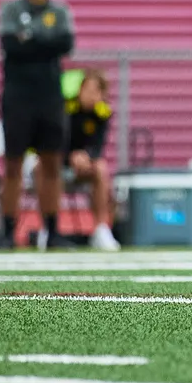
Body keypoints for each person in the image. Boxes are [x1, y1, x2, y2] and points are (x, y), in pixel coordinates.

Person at [0, 0, 76, 250]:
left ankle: (52, 231)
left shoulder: (60, 10)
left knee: (51, 164)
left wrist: (29, 41)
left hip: (50, 97)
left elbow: (65, 44)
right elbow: (10, 46)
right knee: (13, 164)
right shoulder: (11, 10)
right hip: (17, 97)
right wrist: (44, 44)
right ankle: (7, 232)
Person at [63, 67, 119, 251]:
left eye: (96, 91)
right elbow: (57, 142)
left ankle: (101, 229)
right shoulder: (67, 109)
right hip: (59, 167)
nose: (90, 96)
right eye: (87, 90)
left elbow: (98, 146)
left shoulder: (102, 113)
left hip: (84, 168)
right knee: (44, 168)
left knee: (101, 169)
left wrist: (86, 156)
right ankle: (48, 230)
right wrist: (70, 156)